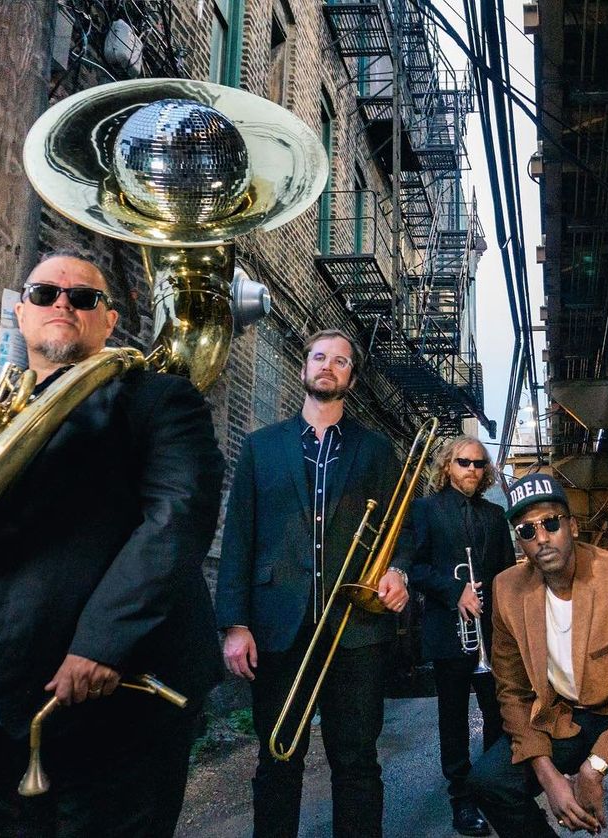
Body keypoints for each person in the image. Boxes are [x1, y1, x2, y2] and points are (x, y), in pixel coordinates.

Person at [0, 252, 225, 836]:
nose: (62, 303)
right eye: (44, 294)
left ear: (109, 321)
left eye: (83, 298)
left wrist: (103, 643)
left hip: (103, 690)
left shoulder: (157, 400)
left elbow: (175, 520)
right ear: (21, 313)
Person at [216, 327, 407, 838]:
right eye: (319, 357)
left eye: (340, 361)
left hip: (354, 630)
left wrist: (398, 570)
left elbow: (401, 529)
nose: (328, 365)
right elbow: (238, 537)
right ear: (304, 368)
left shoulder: (375, 450)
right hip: (279, 628)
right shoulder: (260, 447)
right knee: (277, 758)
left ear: (351, 379)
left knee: (357, 761)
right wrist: (235, 624)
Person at [468, 473, 608, 838]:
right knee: (488, 780)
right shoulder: (507, 589)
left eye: (551, 523)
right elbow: (512, 691)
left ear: (572, 527)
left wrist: (594, 769)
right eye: (527, 530)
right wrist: (549, 777)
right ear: (520, 541)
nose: (541, 538)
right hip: (565, 715)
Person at [396, 435, 516, 836]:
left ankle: (493, 789)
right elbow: (415, 568)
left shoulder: (495, 515)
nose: (472, 470)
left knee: (499, 715)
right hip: (450, 632)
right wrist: (455, 591)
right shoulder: (426, 510)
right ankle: (462, 800)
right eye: (464, 462)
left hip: (492, 634)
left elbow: (508, 574)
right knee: (453, 720)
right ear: (448, 466)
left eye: (479, 464)